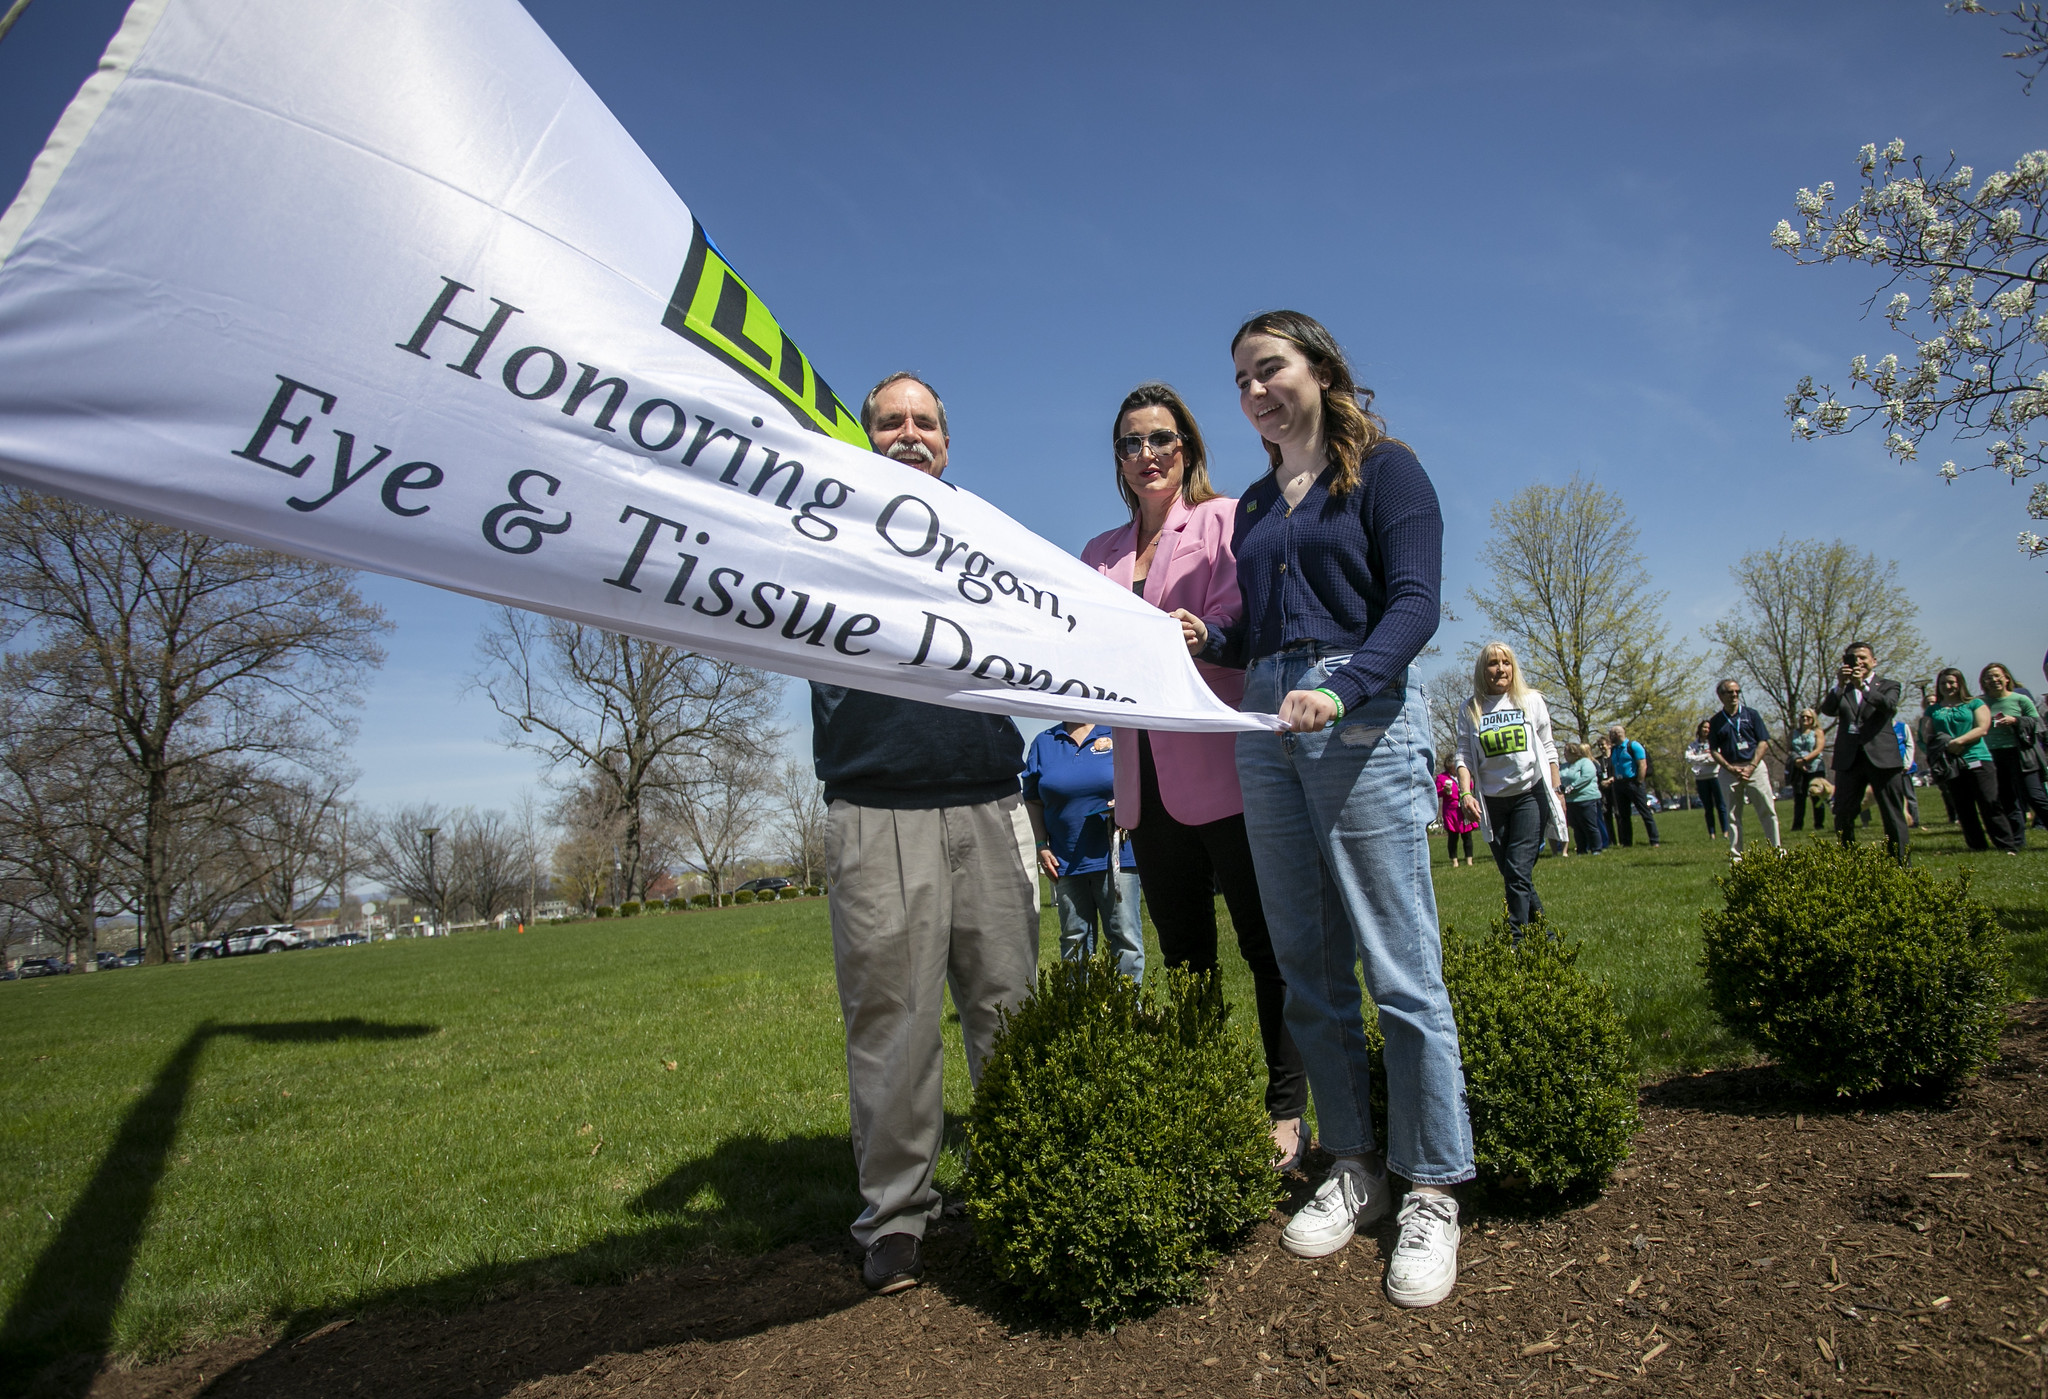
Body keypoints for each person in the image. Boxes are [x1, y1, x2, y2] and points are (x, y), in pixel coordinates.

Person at [1181, 310, 1472, 1309]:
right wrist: (1209, 637)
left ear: (1319, 368)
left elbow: (1413, 603)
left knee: (1397, 964)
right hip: (1265, 723)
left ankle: (1430, 1184)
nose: (1254, 390)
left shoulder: (1386, 471)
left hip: (1357, 718)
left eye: (1269, 369)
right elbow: (1261, 623)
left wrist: (1344, 688)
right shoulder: (1255, 501)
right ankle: (1352, 1159)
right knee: (1303, 963)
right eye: (1239, 380)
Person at [810, 372, 1040, 1295]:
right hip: (875, 805)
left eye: (926, 421)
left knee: (1011, 1009)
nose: (910, 433)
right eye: (891, 421)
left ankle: (1029, 1180)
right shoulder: (817, 528)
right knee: (892, 1023)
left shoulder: (988, 534)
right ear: (862, 438)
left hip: (990, 799)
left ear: (947, 439)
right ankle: (897, 1216)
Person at [1079, 381, 1308, 1169]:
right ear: (1118, 459)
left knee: (1265, 945)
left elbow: (1242, 620)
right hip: (1143, 784)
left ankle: (1285, 1107)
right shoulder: (1098, 554)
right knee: (1185, 957)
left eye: (1161, 440)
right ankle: (1209, 1094)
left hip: (1225, 772)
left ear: (1189, 449)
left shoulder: (1222, 521)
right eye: (1131, 443)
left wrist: (1203, 631)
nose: (1147, 455)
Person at [1454, 643, 1566, 930]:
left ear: (1513, 667)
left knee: (1517, 870)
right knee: (1514, 874)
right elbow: (1464, 755)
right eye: (1493, 663)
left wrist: (1556, 789)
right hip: (1492, 803)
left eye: (1506, 662)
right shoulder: (1471, 709)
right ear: (1483, 670)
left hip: (1530, 795)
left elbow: (1549, 747)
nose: (1500, 669)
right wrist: (1465, 794)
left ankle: (1516, 939)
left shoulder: (1530, 700)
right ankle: (1545, 938)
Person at [1022, 719, 1142, 978]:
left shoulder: (1115, 732)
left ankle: (1126, 1014)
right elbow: (1032, 800)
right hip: (1064, 860)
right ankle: (1078, 1014)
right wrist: (1041, 845)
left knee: (1125, 939)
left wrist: (1125, 801)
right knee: (1074, 940)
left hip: (1116, 855)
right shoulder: (1044, 742)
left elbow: (1139, 779)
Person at [1820, 642, 1910, 863]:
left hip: (1882, 757)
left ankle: (1899, 862)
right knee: (1843, 813)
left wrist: (1864, 687)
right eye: (1852, 658)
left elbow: (1888, 706)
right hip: (1850, 759)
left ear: (1873, 661)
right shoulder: (1843, 690)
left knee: (1892, 813)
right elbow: (1828, 710)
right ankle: (1849, 861)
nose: (1858, 662)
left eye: (1862, 657)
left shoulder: (1889, 685)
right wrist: (1840, 684)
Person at [1924, 667, 2014, 853]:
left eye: (1951, 682)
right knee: (1963, 806)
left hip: (1977, 758)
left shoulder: (1974, 704)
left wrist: (1960, 741)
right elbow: (1927, 735)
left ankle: (2005, 844)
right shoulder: (1933, 710)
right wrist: (1944, 746)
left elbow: (1982, 728)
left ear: (1960, 683)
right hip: (1951, 762)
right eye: (1943, 683)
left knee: (1989, 803)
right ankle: (1976, 845)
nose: (1947, 686)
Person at [1708, 678, 1780, 859]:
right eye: (1730, 692)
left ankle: (1776, 851)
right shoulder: (1716, 721)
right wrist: (1729, 767)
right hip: (1730, 771)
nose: (1734, 695)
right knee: (1732, 816)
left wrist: (1752, 766)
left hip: (1754, 768)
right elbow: (1714, 750)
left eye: (1737, 692)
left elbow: (1763, 742)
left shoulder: (1751, 715)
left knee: (1767, 811)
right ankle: (1737, 857)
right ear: (1720, 696)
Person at [1982, 661, 2048, 843]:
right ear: (1984, 681)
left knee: (2035, 796)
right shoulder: (1980, 703)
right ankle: (2017, 841)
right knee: (2008, 800)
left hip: (2022, 754)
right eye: (1989, 677)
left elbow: (2037, 724)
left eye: (1997, 675)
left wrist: (2015, 720)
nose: (1993, 680)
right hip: (1994, 755)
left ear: (2006, 678)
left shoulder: (2020, 699)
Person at [1603, 723, 1660, 847]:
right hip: (1619, 783)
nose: (1609, 737)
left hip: (1633, 782)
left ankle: (1654, 840)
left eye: (1611, 734)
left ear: (1617, 734)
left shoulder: (1633, 746)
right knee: (1624, 815)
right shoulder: (1614, 750)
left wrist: (1639, 781)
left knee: (1644, 812)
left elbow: (1642, 765)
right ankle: (1627, 842)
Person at [1684, 719, 1728, 841]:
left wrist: (1699, 759)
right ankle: (1712, 834)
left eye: (1708, 728)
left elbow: (1716, 758)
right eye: (1704, 727)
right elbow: (1689, 758)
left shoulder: (1715, 743)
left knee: (1721, 806)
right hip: (1701, 778)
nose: (1706, 730)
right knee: (1708, 808)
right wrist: (1706, 757)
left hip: (1715, 776)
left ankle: (1725, 831)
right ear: (1699, 729)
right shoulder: (1693, 745)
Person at [1560, 742, 1605, 854]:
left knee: (1589, 825)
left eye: (1566, 752)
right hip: (1571, 801)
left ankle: (1596, 848)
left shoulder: (1586, 762)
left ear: (1574, 752)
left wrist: (1573, 787)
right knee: (1577, 827)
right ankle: (1581, 849)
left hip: (1586, 799)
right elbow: (1560, 778)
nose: (1564, 754)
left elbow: (1587, 777)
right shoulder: (1564, 766)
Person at [1786, 709, 1826, 832]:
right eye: (1802, 717)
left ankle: (1819, 824)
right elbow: (1790, 749)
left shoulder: (1817, 732)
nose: (1805, 719)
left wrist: (1805, 759)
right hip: (1798, 768)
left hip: (1815, 767)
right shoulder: (1794, 733)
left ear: (1813, 719)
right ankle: (1797, 826)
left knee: (1817, 797)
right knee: (1799, 797)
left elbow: (1819, 749)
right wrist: (1797, 760)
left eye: (1808, 717)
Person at [1437, 758, 1478, 866]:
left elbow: (1471, 786)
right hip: (1451, 811)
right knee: (1453, 837)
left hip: (1463, 808)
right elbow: (1437, 793)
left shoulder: (1463, 774)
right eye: (1452, 767)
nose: (1454, 769)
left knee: (1467, 835)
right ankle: (1455, 861)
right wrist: (1444, 791)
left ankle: (1469, 860)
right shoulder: (1441, 778)